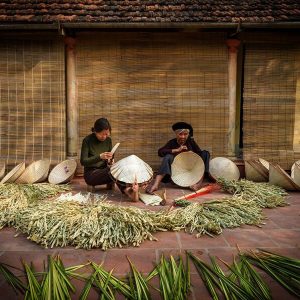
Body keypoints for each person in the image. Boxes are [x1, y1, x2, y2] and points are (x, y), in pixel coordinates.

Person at [147, 121, 210, 194]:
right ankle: (155, 185)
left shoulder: (191, 142)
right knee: (168, 156)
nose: (183, 136)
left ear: (188, 134)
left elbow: (199, 154)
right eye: (180, 134)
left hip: (192, 170)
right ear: (176, 134)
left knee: (205, 153)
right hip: (177, 172)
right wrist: (176, 150)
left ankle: (198, 184)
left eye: (185, 134)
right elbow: (160, 152)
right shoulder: (172, 142)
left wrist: (192, 153)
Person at [80, 118, 115, 188]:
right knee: (113, 173)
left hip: (105, 171)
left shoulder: (108, 140)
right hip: (92, 174)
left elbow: (110, 158)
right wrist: (100, 157)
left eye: (106, 134)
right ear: (95, 131)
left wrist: (110, 161)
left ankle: (130, 192)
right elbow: (83, 162)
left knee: (118, 169)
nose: (104, 137)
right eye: (102, 134)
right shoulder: (87, 140)